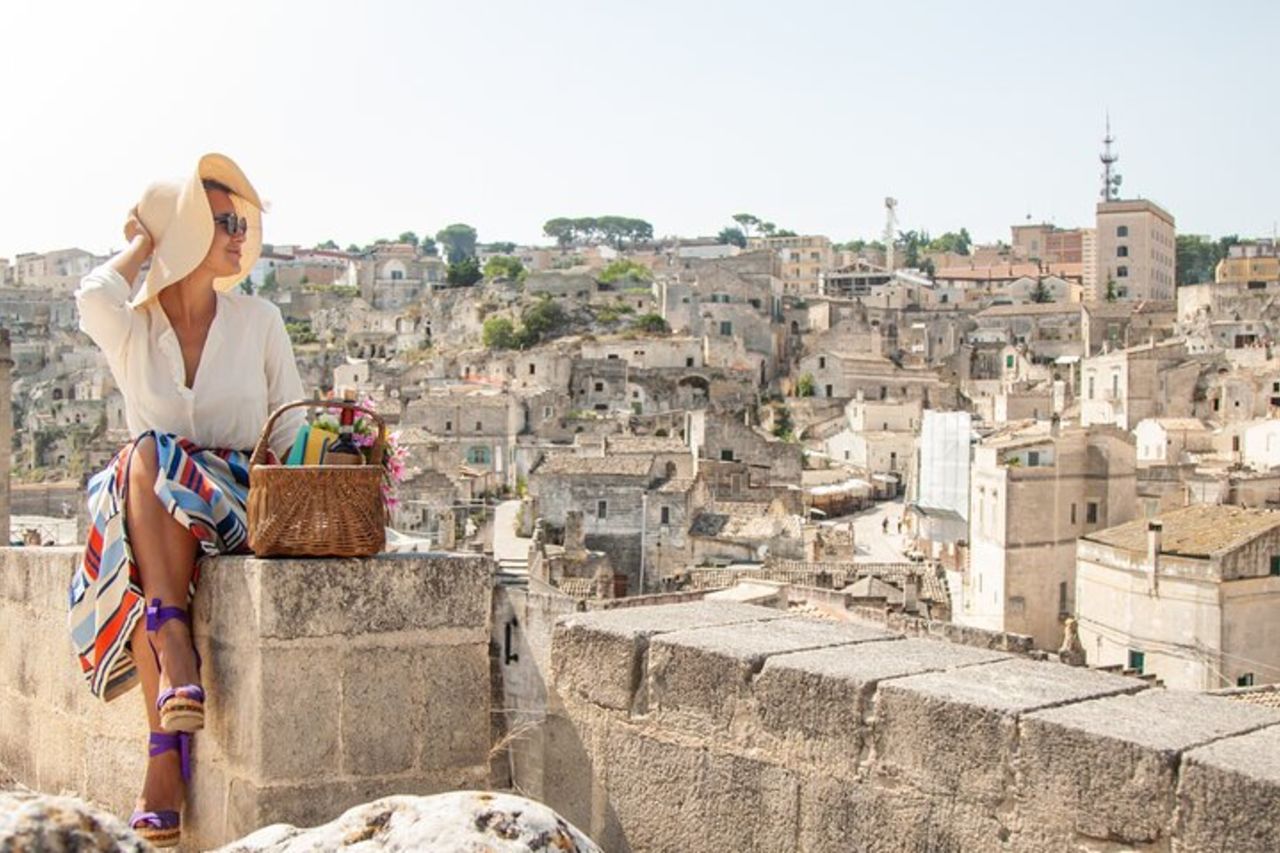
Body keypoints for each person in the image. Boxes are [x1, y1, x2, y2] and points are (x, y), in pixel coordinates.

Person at [67, 154, 305, 848]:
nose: (238, 234)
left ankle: (164, 735)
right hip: (158, 509)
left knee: (146, 462)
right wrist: (145, 238)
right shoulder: (134, 328)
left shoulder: (258, 319)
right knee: (147, 463)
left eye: (239, 222)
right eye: (221, 221)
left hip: (236, 496)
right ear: (187, 231)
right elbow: (91, 294)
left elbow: (288, 422)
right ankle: (169, 720)